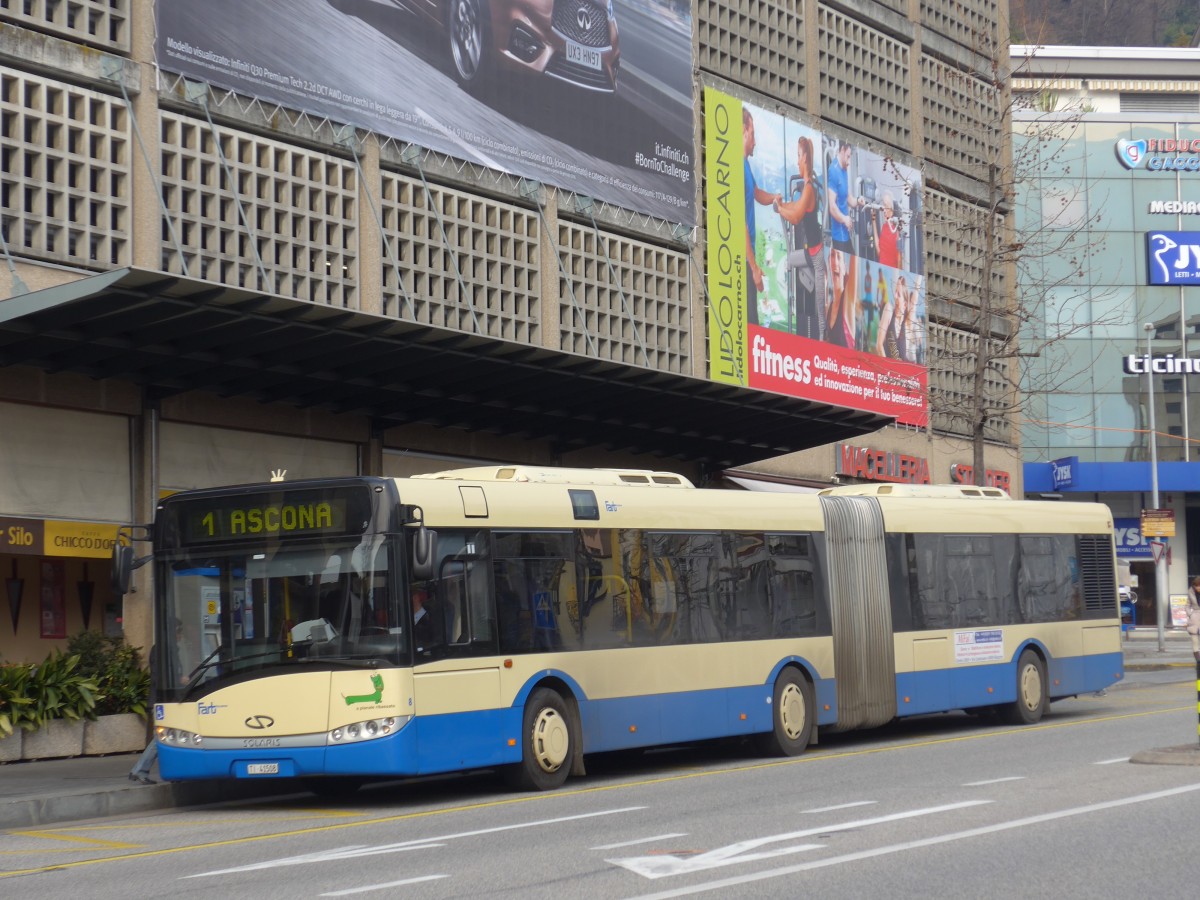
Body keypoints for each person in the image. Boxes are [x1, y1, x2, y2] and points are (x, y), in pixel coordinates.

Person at [774, 135, 825, 338]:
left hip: (817, 258)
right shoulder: (805, 189)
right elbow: (794, 207)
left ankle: (821, 341)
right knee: (789, 260)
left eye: (798, 156)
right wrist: (781, 204)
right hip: (808, 254)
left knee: (820, 310)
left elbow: (795, 217)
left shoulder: (810, 188)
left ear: (805, 159)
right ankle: (794, 318)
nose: (796, 160)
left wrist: (779, 209)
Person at [743, 108, 781, 327]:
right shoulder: (736, 165)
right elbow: (741, 226)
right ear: (744, 130)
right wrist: (754, 267)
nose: (755, 142)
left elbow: (756, 192)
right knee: (751, 325)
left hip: (749, 257)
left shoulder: (745, 164)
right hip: (744, 259)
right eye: (753, 133)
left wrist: (774, 198)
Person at [826, 140, 863, 255]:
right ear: (842, 150)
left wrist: (858, 201)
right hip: (838, 237)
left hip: (846, 234)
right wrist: (845, 219)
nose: (849, 161)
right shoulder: (833, 170)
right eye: (847, 156)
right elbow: (832, 207)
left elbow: (848, 198)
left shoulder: (844, 170)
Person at [825, 249, 856, 348]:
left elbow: (855, 255)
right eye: (832, 256)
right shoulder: (828, 308)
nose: (835, 262)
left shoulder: (848, 299)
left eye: (839, 257)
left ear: (844, 267)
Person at [871, 191, 902, 269]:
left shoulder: (897, 230)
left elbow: (899, 260)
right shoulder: (885, 227)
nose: (884, 210)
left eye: (886, 205)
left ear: (892, 208)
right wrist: (873, 221)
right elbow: (879, 252)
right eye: (883, 205)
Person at [1187, 577, 1200, 662]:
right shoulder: (1191, 592)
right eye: (1196, 586)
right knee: (1195, 642)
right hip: (1195, 618)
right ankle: (1198, 662)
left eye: (1199, 585)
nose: (1198, 587)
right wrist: (1190, 614)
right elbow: (1187, 605)